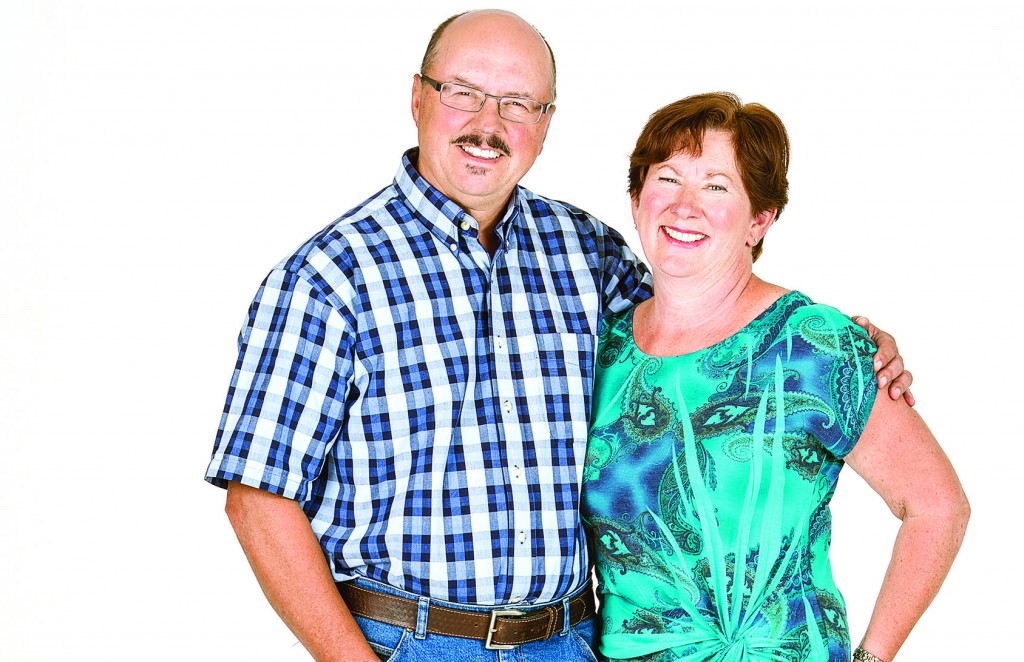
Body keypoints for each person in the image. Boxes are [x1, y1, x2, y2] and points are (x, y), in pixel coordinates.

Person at [205, 11, 913, 662]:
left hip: (573, 642)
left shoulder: (585, 251)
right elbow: (258, 499)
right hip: (411, 643)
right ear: (416, 96)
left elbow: (699, 327)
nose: (489, 122)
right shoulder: (328, 279)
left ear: (546, 123)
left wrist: (842, 344)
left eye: (519, 104)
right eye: (463, 92)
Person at [580, 92, 969, 662]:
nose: (685, 206)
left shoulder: (813, 344)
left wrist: (873, 658)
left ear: (759, 220)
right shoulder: (603, 348)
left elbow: (938, 506)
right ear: (637, 199)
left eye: (717, 186)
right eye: (667, 179)